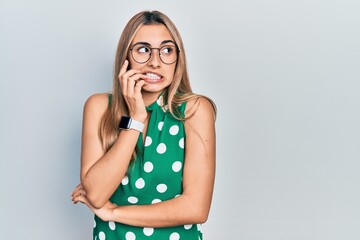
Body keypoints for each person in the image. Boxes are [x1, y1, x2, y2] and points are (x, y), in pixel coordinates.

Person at [71, 10, 216, 240]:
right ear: (125, 57)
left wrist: (113, 212)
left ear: (178, 59)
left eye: (167, 50)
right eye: (143, 50)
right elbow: (96, 194)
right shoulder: (99, 107)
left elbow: (196, 208)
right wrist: (135, 119)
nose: (155, 62)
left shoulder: (195, 110)